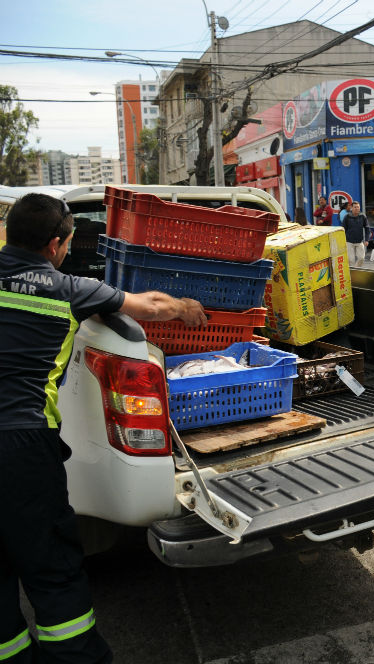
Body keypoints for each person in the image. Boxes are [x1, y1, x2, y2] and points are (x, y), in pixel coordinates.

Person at [0, 193, 208, 663]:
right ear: (55, 244)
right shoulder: (66, 288)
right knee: (50, 566)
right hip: (21, 447)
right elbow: (148, 307)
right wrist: (184, 307)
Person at [343, 202, 369, 269]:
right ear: (351, 208)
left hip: (359, 241)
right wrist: (343, 240)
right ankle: (352, 275)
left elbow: (367, 228)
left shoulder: (363, 216)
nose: (357, 208)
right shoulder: (347, 217)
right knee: (350, 260)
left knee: (361, 258)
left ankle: (356, 269)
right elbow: (343, 229)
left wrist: (366, 239)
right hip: (349, 241)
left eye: (358, 207)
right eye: (355, 207)